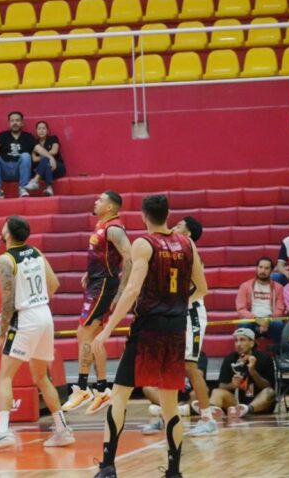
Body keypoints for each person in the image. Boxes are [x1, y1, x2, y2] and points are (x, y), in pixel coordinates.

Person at [91, 194, 208, 478]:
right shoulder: (187, 243)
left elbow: (131, 290)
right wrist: (176, 304)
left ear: (144, 216)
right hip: (176, 327)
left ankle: (107, 467)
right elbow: (202, 288)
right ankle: (174, 471)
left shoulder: (144, 243)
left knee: (120, 395)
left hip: (148, 328)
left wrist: (106, 330)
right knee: (169, 404)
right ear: (167, 215)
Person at [0, 216, 74, 452]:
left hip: (26, 318)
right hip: (44, 314)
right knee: (41, 377)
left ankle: (2, 433)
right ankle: (62, 430)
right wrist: (37, 301)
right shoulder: (37, 253)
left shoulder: (5, 260)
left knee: (4, 377)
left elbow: (8, 301)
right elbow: (54, 285)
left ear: (7, 234)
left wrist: (1, 334)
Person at [143, 216, 216, 436]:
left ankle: (208, 418)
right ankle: (168, 417)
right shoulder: (172, 254)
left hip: (191, 313)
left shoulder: (192, 254)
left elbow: (199, 288)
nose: (173, 227)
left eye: (179, 226)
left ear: (188, 234)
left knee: (190, 367)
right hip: (173, 313)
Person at [63, 191, 131, 415]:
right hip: (96, 282)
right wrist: (89, 272)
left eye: (101, 200)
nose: (95, 201)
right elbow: (102, 256)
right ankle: (102, 389)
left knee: (83, 334)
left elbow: (129, 258)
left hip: (103, 286)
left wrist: (121, 291)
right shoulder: (102, 225)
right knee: (93, 338)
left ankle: (82, 388)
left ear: (111, 207)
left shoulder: (114, 228)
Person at [207, 327, 277, 420]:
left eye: (242, 340)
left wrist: (253, 372)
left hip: (258, 404)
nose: (238, 344)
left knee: (270, 392)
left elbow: (268, 387)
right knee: (216, 392)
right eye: (236, 341)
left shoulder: (264, 359)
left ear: (252, 343)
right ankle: (210, 411)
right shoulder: (230, 359)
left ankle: (246, 409)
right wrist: (233, 385)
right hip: (236, 404)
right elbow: (221, 386)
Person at [0, 111, 37, 198]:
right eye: (12, 120)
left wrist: (50, 157)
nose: (15, 123)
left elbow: (38, 149)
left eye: (17, 120)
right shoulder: (3, 135)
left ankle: (23, 188)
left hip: (20, 170)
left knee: (26, 155)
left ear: (22, 123)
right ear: (9, 123)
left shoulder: (28, 136)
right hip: (5, 170)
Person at [236, 257, 285, 344]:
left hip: (270, 320)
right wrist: (256, 319)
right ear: (256, 268)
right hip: (252, 320)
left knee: (278, 323)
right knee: (243, 323)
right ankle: (246, 354)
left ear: (271, 270)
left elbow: (280, 309)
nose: (263, 270)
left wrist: (267, 320)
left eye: (266, 268)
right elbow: (241, 309)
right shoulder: (245, 286)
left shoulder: (278, 287)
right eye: (260, 267)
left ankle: (279, 354)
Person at [31, 120, 65, 196]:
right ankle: (49, 188)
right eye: (39, 128)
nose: (41, 131)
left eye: (44, 128)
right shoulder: (34, 142)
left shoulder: (53, 138)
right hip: (42, 170)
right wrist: (47, 157)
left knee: (45, 160)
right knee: (46, 163)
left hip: (56, 167)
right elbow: (34, 159)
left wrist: (43, 156)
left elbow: (54, 151)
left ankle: (35, 180)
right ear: (36, 131)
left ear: (48, 130)